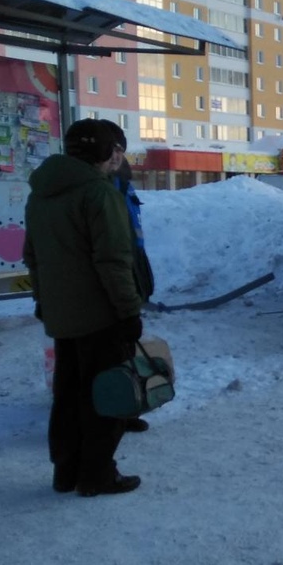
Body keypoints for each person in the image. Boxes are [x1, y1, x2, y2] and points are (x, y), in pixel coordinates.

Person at [23, 119, 144, 496]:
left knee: (68, 394)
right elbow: (113, 260)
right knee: (105, 394)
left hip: (62, 314)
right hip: (99, 313)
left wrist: (43, 301)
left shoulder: (41, 193)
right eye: (115, 150)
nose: (118, 158)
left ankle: (66, 471)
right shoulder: (98, 194)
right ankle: (97, 475)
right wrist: (128, 311)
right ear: (106, 153)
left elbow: (33, 258)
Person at [110, 139, 155, 434]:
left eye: (119, 151)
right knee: (110, 344)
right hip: (115, 264)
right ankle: (112, 411)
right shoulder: (99, 188)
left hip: (132, 259)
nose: (116, 156)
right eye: (110, 150)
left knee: (124, 344)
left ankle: (126, 406)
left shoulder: (123, 183)